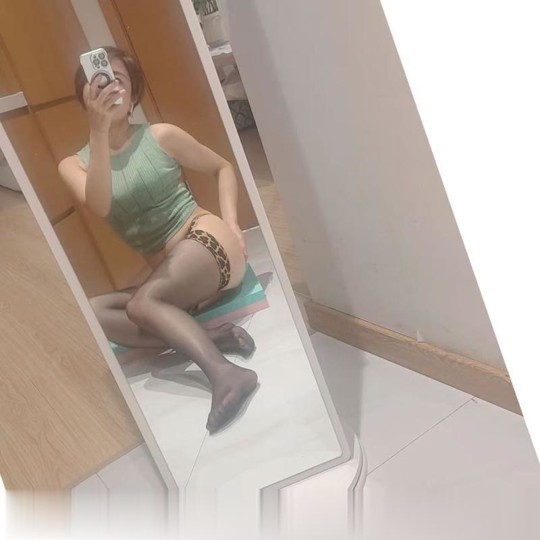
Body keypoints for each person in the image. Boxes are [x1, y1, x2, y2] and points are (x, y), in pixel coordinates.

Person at [58, 46, 258, 434]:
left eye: (119, 79)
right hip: (174, 279)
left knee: (142, 304)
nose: (110, 87)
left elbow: (222, 167)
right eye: (100, 81)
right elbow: (99, 204)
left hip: (204, 240)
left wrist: (233, 224)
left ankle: (226, 374)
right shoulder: (74, 164)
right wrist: (98, 133)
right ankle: (211, 336)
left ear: (133, 92)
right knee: (94, 311)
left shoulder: (160, 135)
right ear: (85, 94)